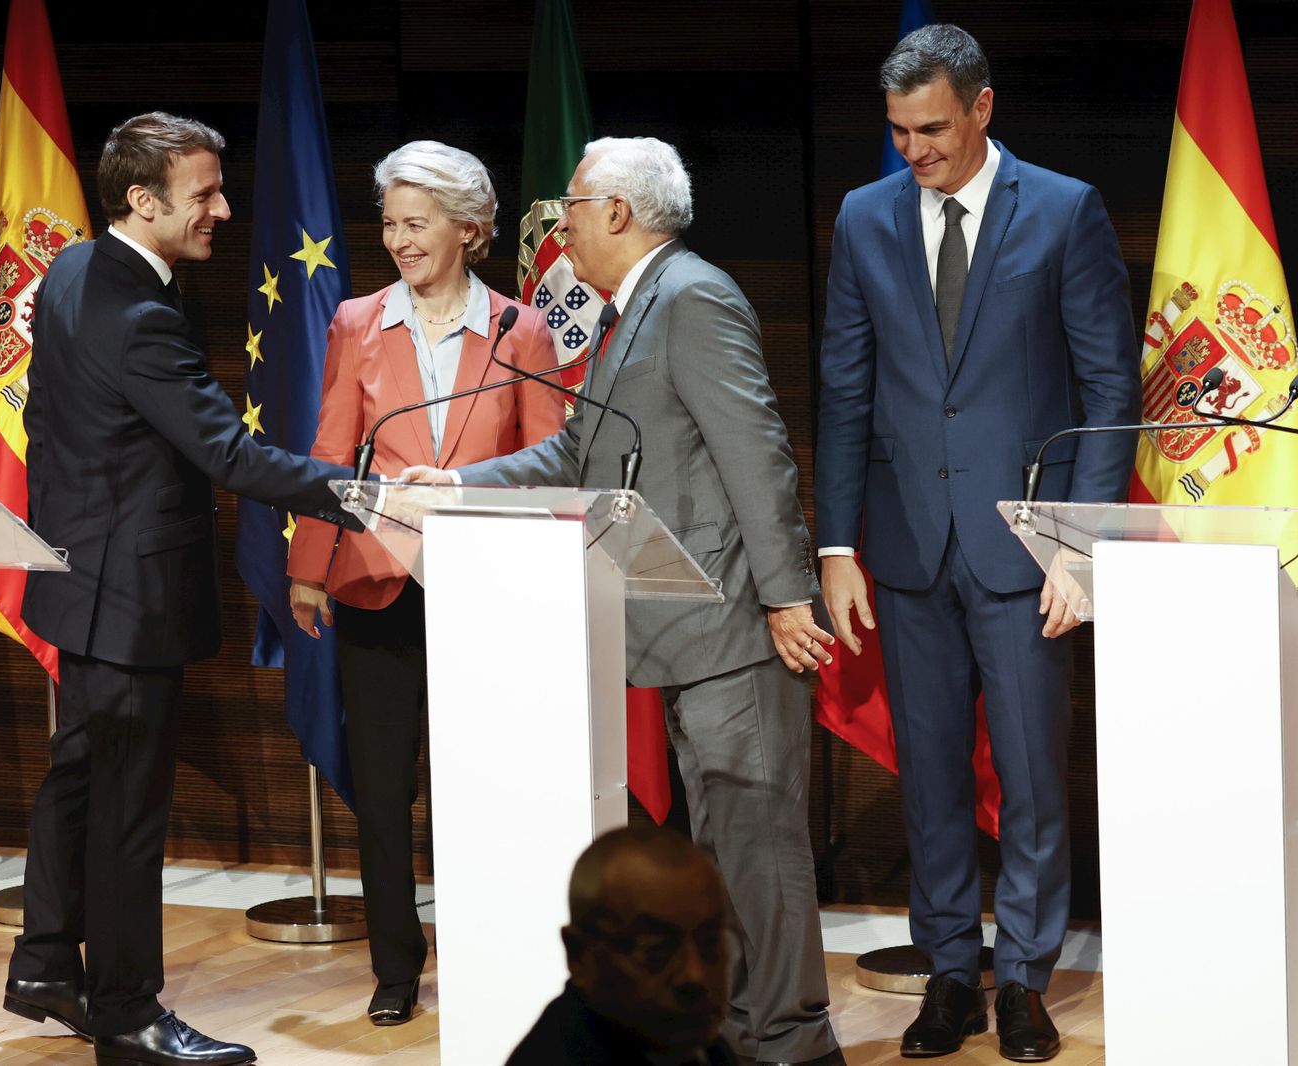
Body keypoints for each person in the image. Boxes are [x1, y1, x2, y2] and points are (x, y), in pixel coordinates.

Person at [403, 136, 845, 1066]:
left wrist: (785, 598)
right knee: (721, 850)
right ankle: (734, 1033)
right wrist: (456, 485)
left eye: (570, 205)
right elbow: (575, 456)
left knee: (758, 850)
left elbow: (757, 453)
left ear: (617, 212)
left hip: (732, 626)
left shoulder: (693, 297)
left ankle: (796, 1044)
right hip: (679, 627)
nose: (557, 224)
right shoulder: (628, 309)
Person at [5, 112, 360, 1066]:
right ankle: (126, 1014)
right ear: (142, 198)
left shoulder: (78, 267)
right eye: (203, 192)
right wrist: (362, 494)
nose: (223, 208)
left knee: (78, 780)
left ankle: (44, 965)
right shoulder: (139, 311)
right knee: (125, 814)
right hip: (130, 597)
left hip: (81, 579)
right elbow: (228, 454)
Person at [814, 25, 1140, 1062]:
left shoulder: (1061, 208)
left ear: (983, 108)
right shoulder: (864, 217)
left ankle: (1026, 979)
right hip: (906, 547)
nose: (916, 150)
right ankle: (950, 973)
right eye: (901, 131)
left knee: (1036, 776)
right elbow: (844, 388)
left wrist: (1080, 543)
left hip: (1026, 548)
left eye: (934, 128)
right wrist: (832, 546)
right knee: (932, 778)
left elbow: (1106, 388)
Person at [284, 140, 565, 1025]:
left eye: (417, 223)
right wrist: (308, 570)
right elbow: (329, 454)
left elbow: (549, 464)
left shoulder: (522, 330)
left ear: (469, 229)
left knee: (486, 780)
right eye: (390, 224)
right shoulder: (357, 321)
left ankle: (497, 945)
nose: (399, 240)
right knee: (382, 784)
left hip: (492, 590)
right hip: (377, 582)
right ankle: (395, 965)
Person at [507, 825, 739, 1066]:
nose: (695, 975)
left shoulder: (699, 1049)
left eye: (709, 942)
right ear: (578, 955)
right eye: (655, 950)